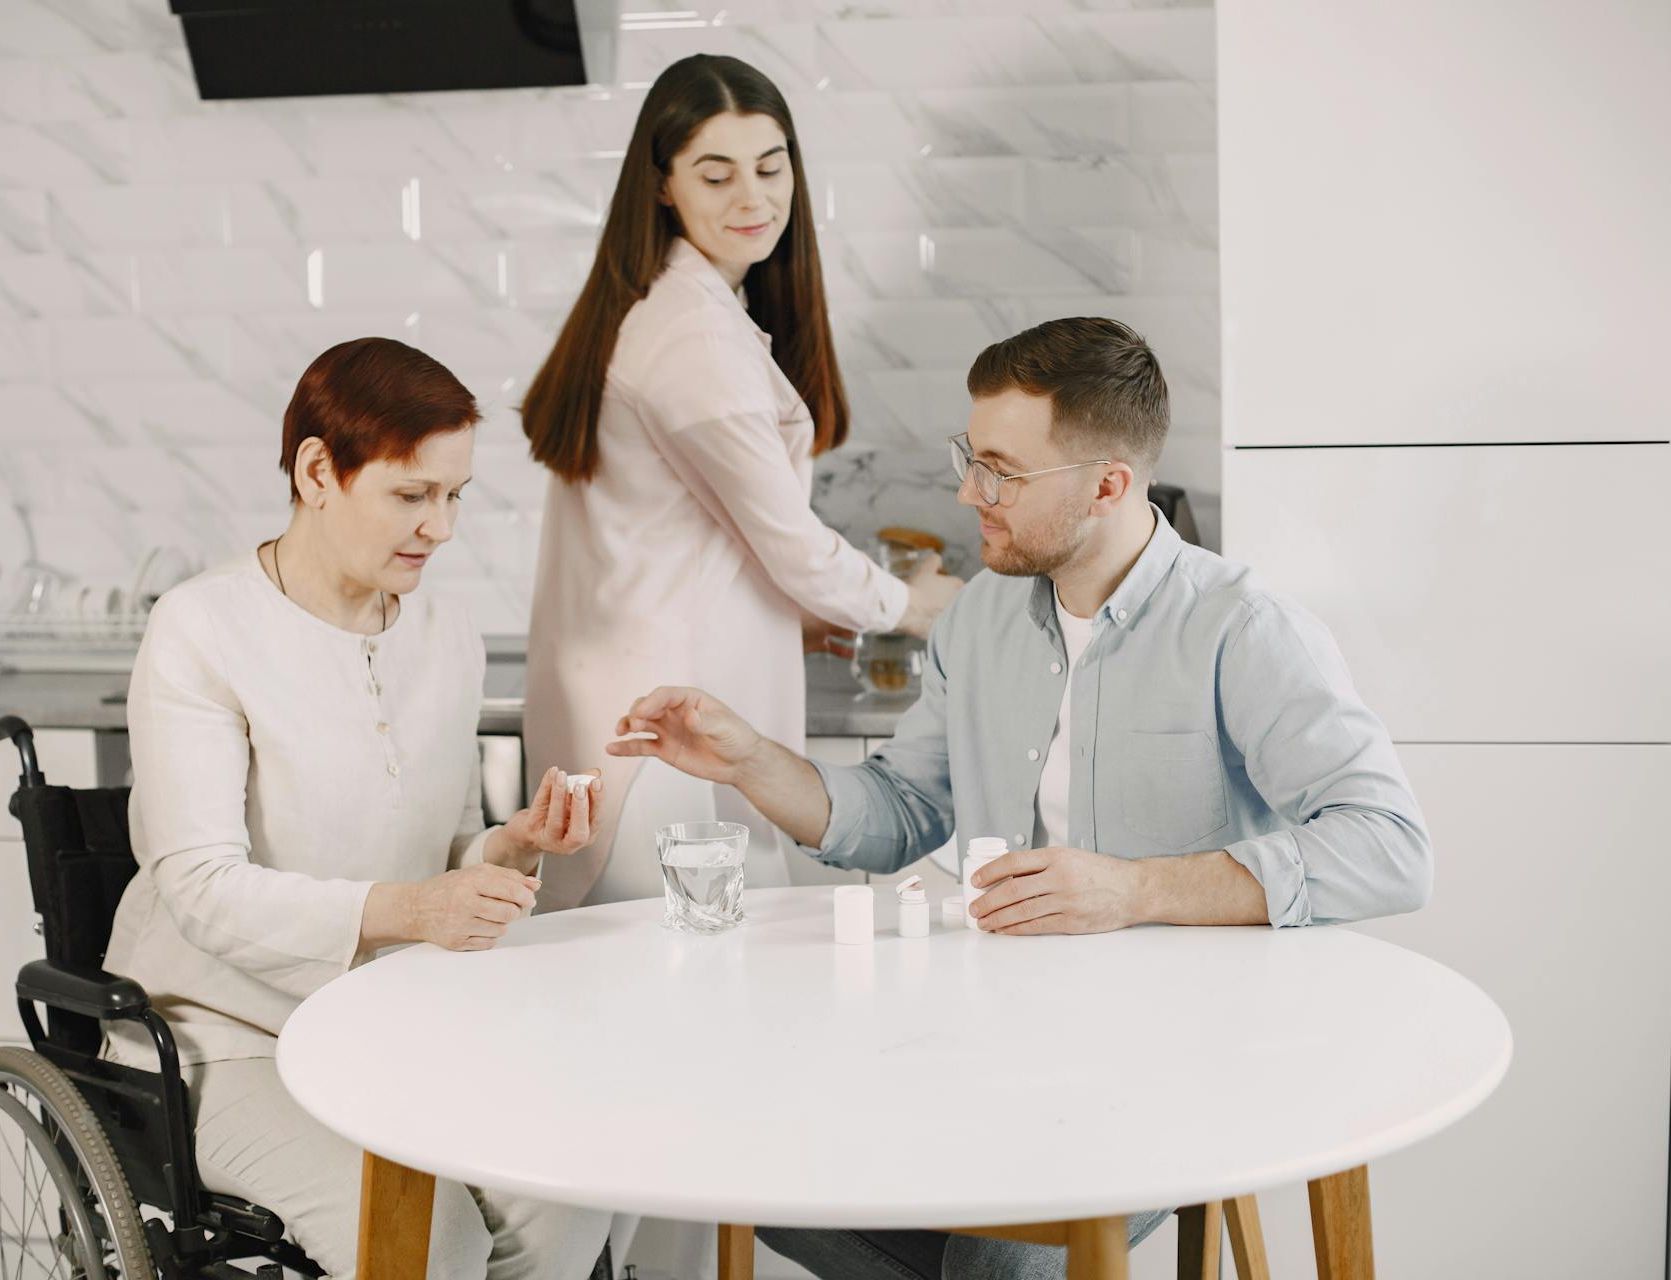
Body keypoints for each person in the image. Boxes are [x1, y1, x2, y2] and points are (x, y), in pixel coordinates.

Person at [605, 317, 1434, 1279]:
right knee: (734, 1172)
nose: (969, 493)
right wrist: (749, 759)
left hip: (1181, 1054)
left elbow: (1390, 847)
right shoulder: (980, 621)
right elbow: (900, 812)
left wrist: (1132, 891)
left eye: (1000, 469)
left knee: (994, 1264)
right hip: (995, 1042)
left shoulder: (1242, 629)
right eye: (972, 457)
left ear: (1108, 486)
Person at [104, 337, 613, 1280]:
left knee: (566, 1193)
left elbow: (443, 840)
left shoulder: (447, 632)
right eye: (413, 496)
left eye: (455, 495)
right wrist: (417, 910)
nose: (442, 526)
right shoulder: (202, 630)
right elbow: (203, 889)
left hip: (389, 1016)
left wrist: (509, 846)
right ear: (316, 472)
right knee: (433, 1243)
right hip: (222, 1039)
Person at [520, 53, 962, 917]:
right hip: (665, 744)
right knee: (689, 995)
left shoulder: (668, 310)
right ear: (661, 186)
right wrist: (912, 606)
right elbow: (790, 542)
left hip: (643, 719)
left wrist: (794, 618)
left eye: (771, 166)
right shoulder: (694, 339)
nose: (753, 199)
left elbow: (682, 536)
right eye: (715, 175)